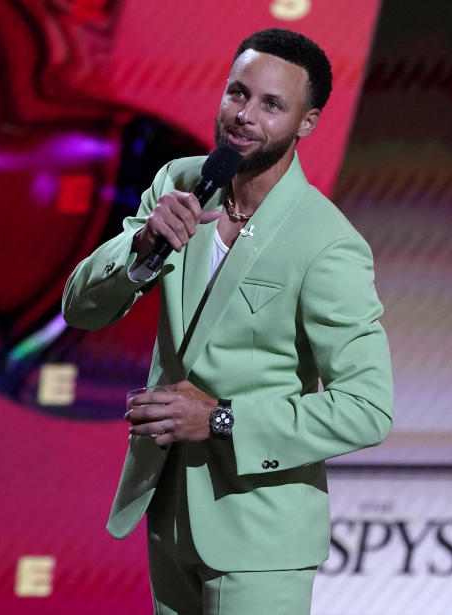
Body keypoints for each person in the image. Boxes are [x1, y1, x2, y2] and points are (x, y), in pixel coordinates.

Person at [62, 28, 393, 614]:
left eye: (271, 104)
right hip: (166, 511)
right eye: (237, 93)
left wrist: (219, 419)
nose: (244, 116)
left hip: (261, 534)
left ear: (307, 123)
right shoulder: (179, 183)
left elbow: (368, 409)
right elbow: (80, 308)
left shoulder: (329, 243)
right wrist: (139, 248)